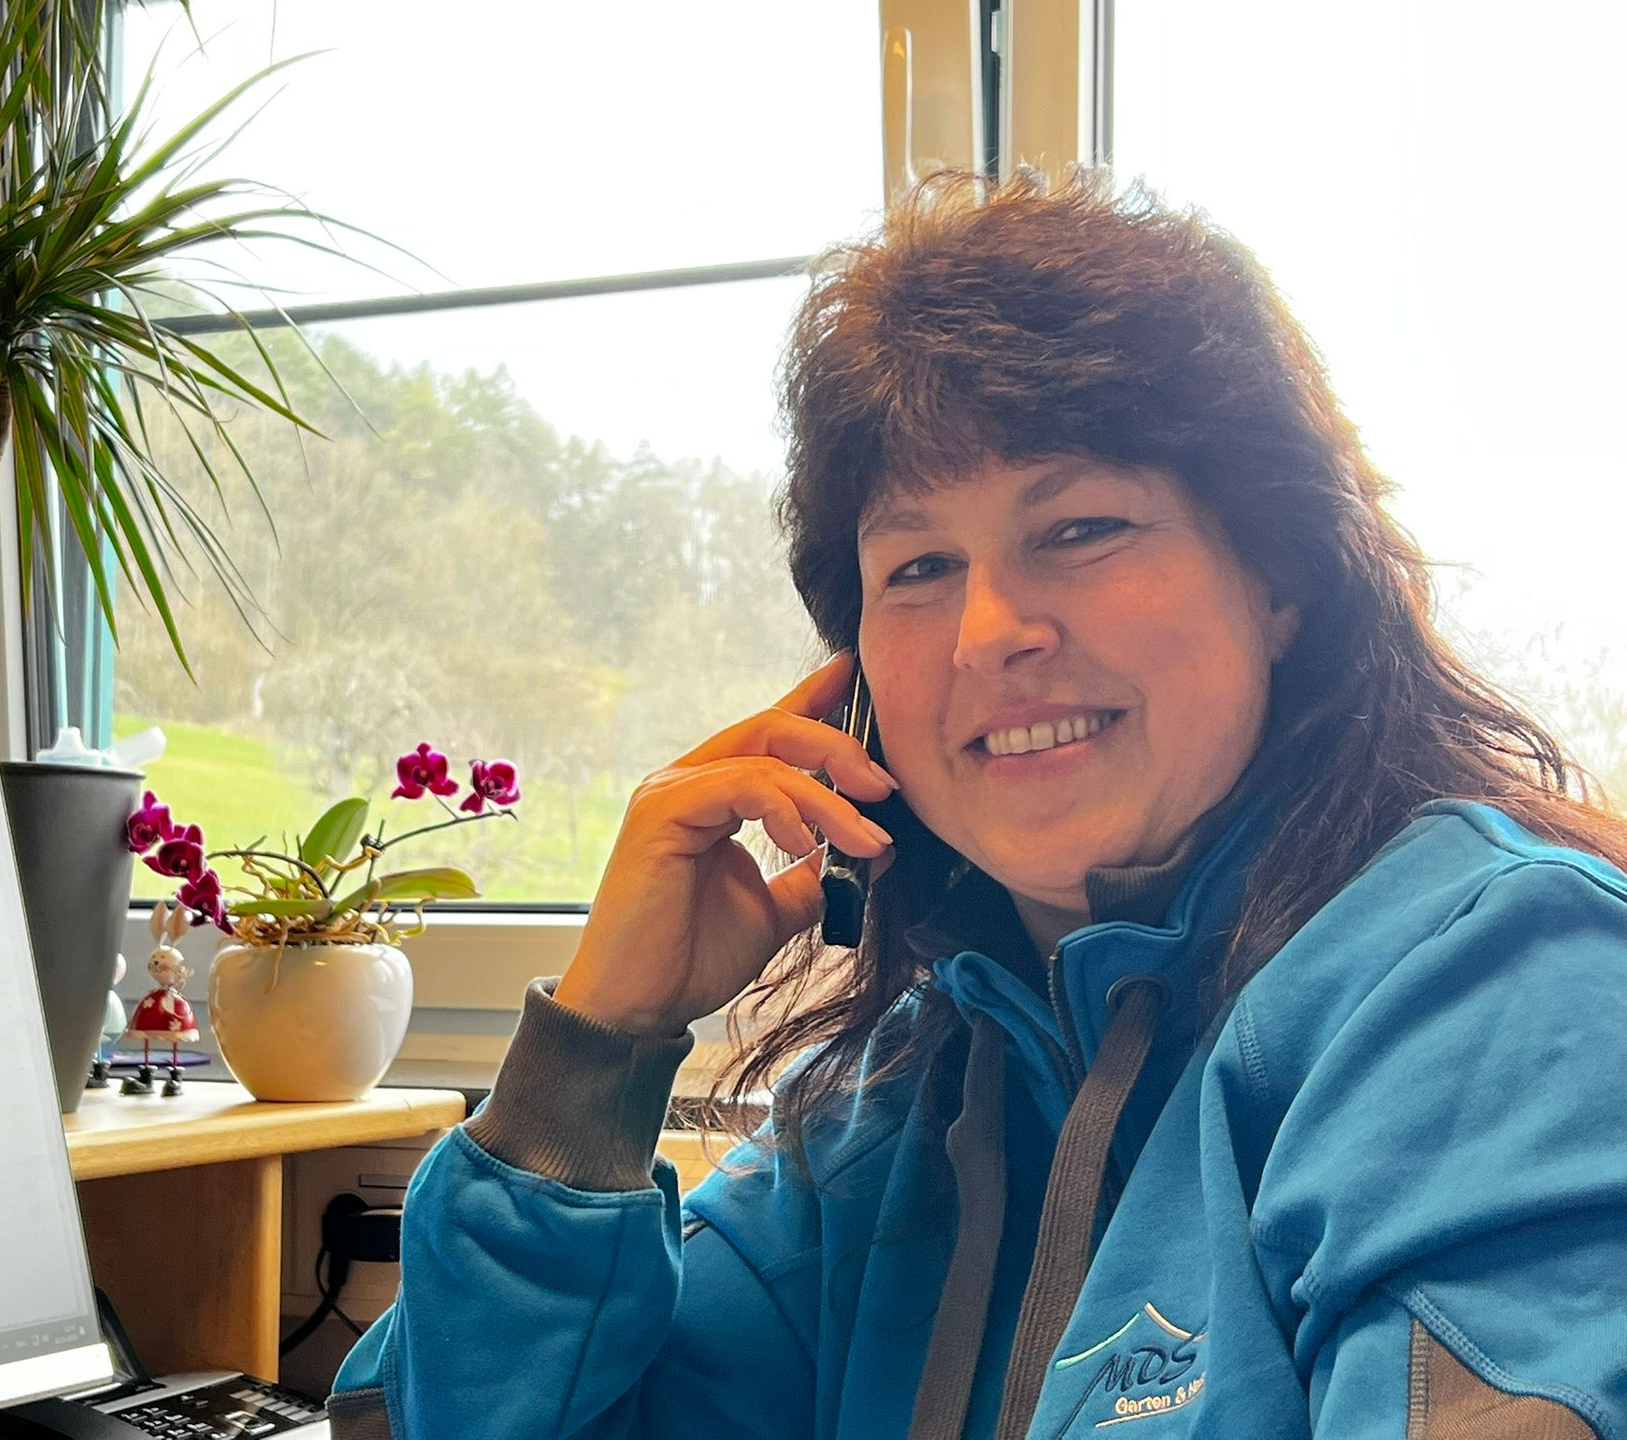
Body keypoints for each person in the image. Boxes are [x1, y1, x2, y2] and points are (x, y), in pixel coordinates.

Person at [327, 168, 1627, 1439]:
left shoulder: (1504, 986)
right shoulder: (893, 1107)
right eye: (919, 566)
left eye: (1080, 529)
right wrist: (601, 1044)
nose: (986, 631)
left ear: (1279, 579)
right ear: (850, 691)